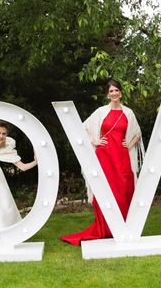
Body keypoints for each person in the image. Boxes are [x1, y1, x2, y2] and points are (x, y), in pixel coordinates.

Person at [60, 78, 144, 245]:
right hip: (105, 157)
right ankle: (105, 228)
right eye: (111, 91)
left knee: (125, 192)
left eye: (116, 90)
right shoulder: (100, 112)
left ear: (121, 92)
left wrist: (130, 144)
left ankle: (123, 228)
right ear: (107, 95)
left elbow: (137, 132)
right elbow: (83, 127)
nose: (114, 93)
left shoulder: (128, 113)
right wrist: (94, 141)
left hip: (122, 157)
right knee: (105, 192)